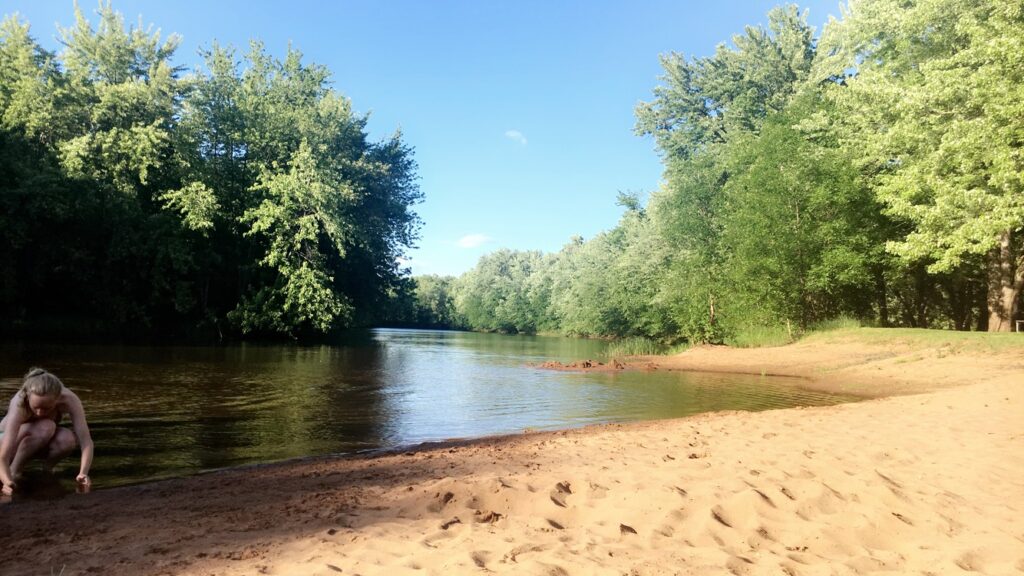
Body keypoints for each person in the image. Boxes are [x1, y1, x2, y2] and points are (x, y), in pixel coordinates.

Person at [0, 367, 93, 496]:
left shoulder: (69, 399)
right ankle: (14, 472)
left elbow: (86, 441)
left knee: (68, 438)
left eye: (46, 408)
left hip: (35, 440)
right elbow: (3, 455)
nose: (39, 413)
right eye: (35, 407)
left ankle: (46, 470)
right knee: (46, 426)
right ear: (28, 397)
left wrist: (83, 472)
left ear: (57, 399)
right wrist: (6, 481)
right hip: (4, 441)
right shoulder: (19, 402)